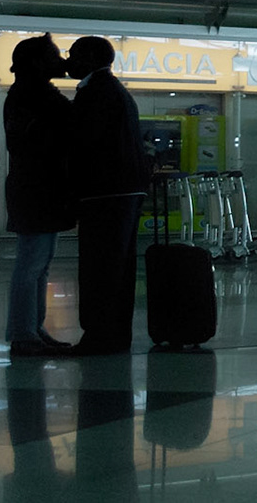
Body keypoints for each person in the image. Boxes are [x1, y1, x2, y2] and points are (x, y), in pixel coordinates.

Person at [68, 34, 147, 356]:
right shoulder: (117, 91)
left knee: (98, 267)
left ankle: (98, 336)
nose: (69, 62)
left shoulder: (95, 92)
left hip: (104, 194)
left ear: (88, 58)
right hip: (124, 191)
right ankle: (115, 335)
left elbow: (83, 144)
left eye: (73, 56)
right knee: (119, 267)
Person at [4, 33, 76, 359]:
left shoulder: (32, 93)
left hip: (38, 188)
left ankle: (32, 329)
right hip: (35, 189)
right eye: (54, 55)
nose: (61, 61)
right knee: (32, 263)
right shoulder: (30, 95)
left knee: (39, 264)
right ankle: (23, 334)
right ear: (36, 62)